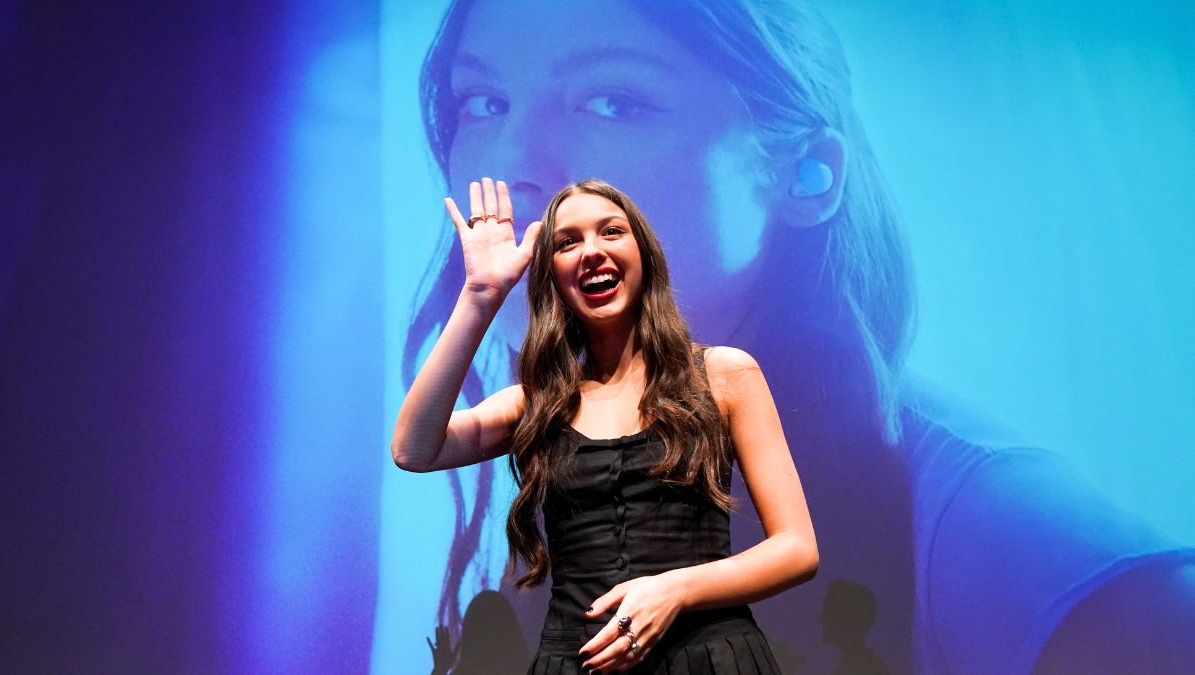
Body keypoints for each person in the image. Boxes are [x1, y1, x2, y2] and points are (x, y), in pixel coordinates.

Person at [398, 0, 1195, 672]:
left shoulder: (1029, 552)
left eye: (614, 101)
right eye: (483, 103)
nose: (511, 166)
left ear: (808, 173)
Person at [393, 177, 819, 673]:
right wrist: (480, 296)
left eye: (611, 232)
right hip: (580, 663)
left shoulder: (724, 376)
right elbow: (413, 449)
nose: (590, 252)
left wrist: (675, 589)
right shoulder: (536, 404)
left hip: (708, 659)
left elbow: (796, 548)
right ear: (551, 275)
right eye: (567, 242)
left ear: (645, 255)